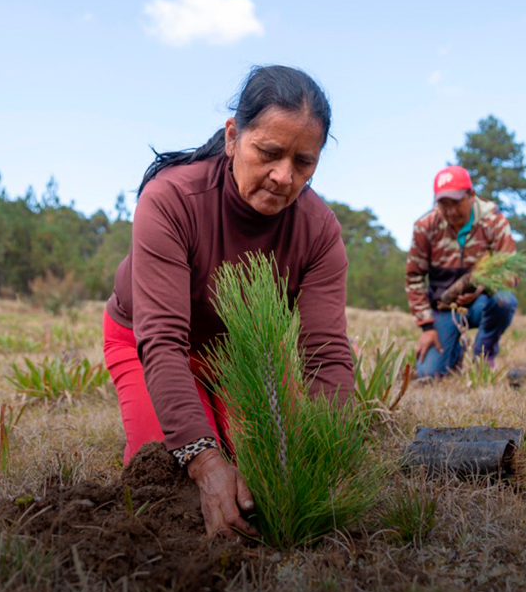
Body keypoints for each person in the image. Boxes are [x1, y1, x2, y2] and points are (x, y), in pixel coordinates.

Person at [102, 65, 354, 540]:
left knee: (270, 470)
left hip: (246, 352)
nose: (283, 177)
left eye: (304, 162)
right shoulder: (172, 199)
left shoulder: (318, 230)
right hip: (148, 343)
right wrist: (204, 458)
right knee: (168, 472)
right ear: (233, 136)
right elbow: (161, 343)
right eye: (269, 153)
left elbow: (327, 355)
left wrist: (326, 453)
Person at [405, 165, 518, 378]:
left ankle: (483, 356)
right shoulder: (425, 227)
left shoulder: (493, 221)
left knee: (504, 300)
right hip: (444, 307)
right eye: (443, 204)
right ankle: (455, 351)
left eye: (456, 203)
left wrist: (481, 287)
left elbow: (511, 272)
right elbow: (414, 278)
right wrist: (427, 327)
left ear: (471, 195)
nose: (450, 212)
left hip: (481, 303)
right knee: (429, 374)